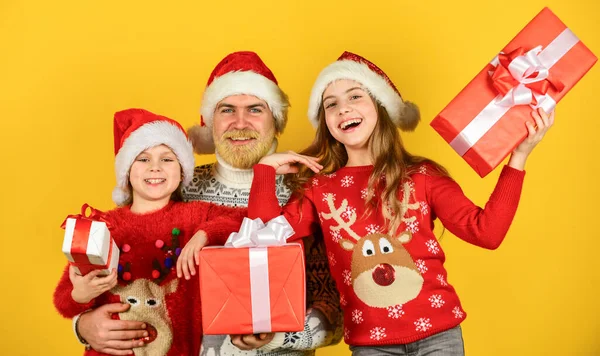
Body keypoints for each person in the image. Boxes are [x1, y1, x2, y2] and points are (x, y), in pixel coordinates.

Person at [248, 51, 554, 355]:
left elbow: (486, 232)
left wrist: (520, 156)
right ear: (325, 121)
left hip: (440, 337)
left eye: (355, 97)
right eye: (331, 104)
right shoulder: (320, 189)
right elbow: (263, 242)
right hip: (371, 346)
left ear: (380, 108)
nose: (343, 109)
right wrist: (264, 171)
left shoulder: (422, 176)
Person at [74, 51, 342, 355]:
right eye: (227, 109)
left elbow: (335, 309)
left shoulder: (307, 191)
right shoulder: (177, 185)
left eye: (255, 109)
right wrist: (84, 325)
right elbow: (130, 273)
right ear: (210, 121)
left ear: (276, 121)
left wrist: (276, 338)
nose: (240, 122)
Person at [54, 108, 246, 355]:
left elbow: (243, 221)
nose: (155, 168)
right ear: (126, 172)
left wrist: (205, 233)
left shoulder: (195, 216)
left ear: (182, 171)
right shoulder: (102, 227)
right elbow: (63, 302)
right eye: (143, 159)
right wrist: (80, 295)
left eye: (167, 159)